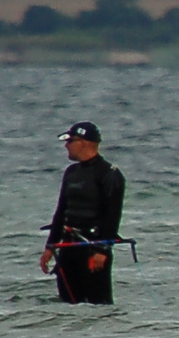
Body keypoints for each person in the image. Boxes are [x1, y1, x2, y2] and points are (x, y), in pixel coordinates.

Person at [37, 121, 126, 305]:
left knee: (98, 304)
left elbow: (113, 215)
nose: (66, 146)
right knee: (67, 303)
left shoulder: (109, 174)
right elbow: (61, 212)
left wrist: (102, 250)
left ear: (83, 142)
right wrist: (51, 246)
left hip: (94, 248)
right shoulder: (71, 173)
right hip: (68, 247)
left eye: (70, 141)